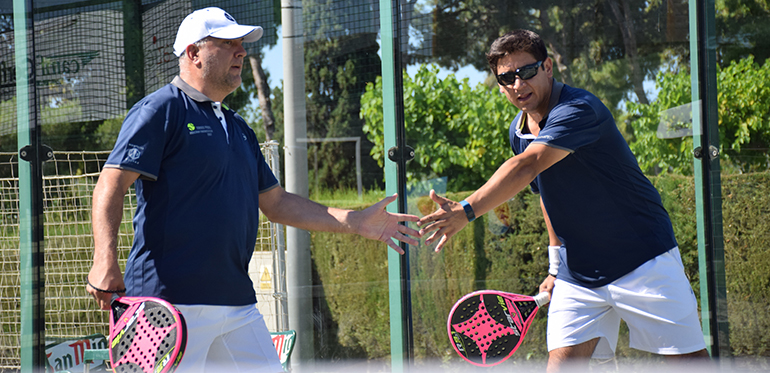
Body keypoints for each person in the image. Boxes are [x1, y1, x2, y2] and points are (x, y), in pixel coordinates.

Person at [86, 7, 421, 372]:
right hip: (166, 304)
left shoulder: (239, 127)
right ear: (193, 54)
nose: (241, 52)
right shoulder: (159, 110)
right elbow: (111, 183)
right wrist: (104, 260)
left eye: (242, 44)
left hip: (237, 304)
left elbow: (276, 203)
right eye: (228, 43)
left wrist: (354, 221)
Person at [417, 29, 710, 372]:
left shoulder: (579, 109)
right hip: (578, 275)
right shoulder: (519, 130)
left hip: (643, 260)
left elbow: (529, 165)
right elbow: (547, 196)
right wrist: (556, 266)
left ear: (548, 67)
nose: (517, 84)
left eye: (526, 72)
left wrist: (467, 210)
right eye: (506, 78)